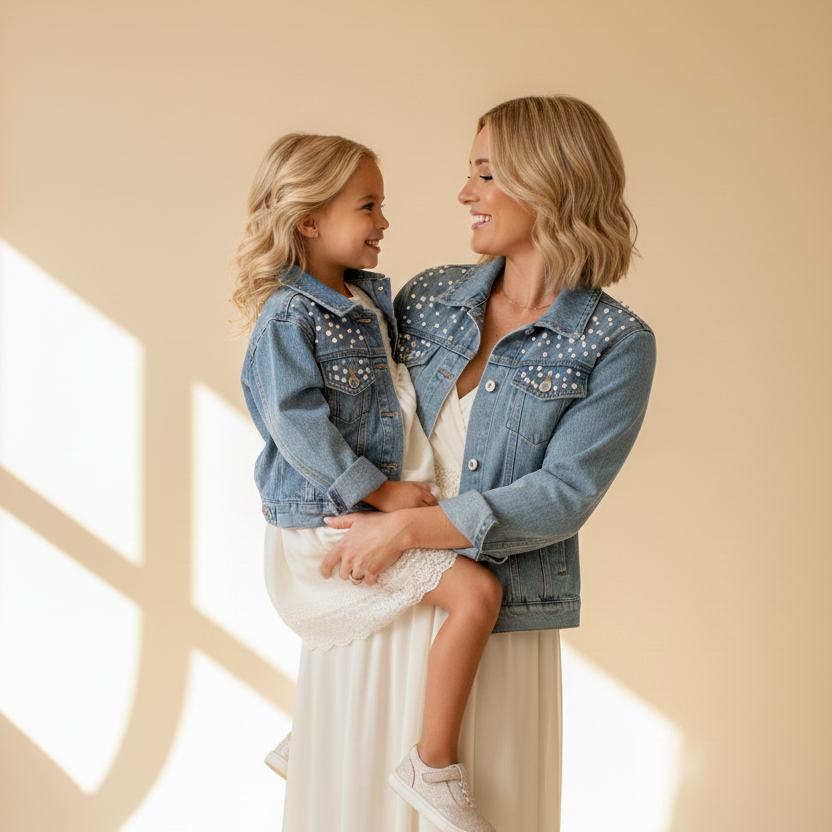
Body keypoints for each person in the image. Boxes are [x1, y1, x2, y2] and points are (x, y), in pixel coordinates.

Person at [311, 95, 657, 832]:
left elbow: (564, 494)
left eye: (486, 174)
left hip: (494, 630)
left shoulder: (617, 343)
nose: (466, 193)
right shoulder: (426, 298)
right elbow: (353, 420)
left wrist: (405, 531)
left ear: (549, 180)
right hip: (379, 607)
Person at [231, 132, 504, 832]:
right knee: (475, 595)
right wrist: (376, 492)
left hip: (356, 504)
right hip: (329, 512)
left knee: (451, 578)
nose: (384, 221)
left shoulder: (363, 300)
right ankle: (432, 764)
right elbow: (295, 424)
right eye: (368, 206)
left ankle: (317, 729)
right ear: (309, 221)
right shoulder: (290, 316)